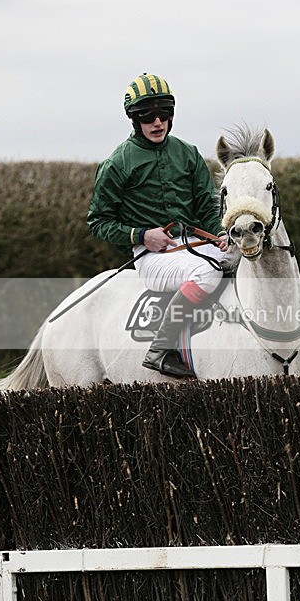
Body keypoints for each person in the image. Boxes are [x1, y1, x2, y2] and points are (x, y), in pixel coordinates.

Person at [87, 72, 228, 379]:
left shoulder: (187, 153)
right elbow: (98, 222)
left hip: (195, 245)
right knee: (207, 273)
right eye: (147, 116)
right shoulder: (117, 163)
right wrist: (140, 235)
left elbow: (207, 204)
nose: (157, 122)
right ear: (134, 119)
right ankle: (160, 349)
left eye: (164, 113)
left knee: (239, 260)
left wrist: (219, 232)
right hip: (152, 257)